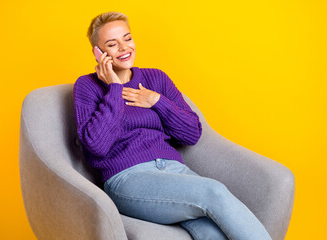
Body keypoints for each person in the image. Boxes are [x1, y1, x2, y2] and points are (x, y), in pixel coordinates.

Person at [73, 11, 273, 240]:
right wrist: (114, 89)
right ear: (98, 53)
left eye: (127, 38)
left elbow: (192, 133)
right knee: (214, 191)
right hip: (127, 178)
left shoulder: (156, 79)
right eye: (112, 44)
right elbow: (96, 146)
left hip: (175, 171)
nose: (123, 47)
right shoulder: (87, 86)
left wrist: (156, 101)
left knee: (211, 231)